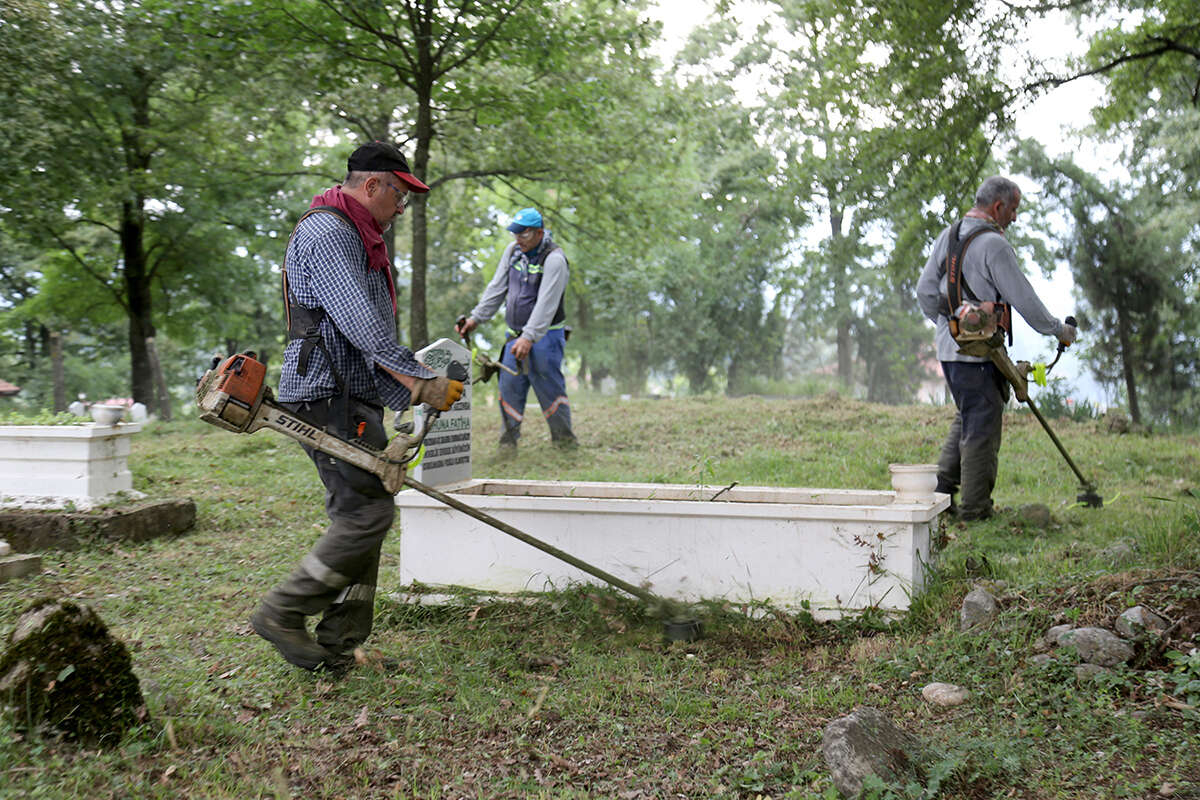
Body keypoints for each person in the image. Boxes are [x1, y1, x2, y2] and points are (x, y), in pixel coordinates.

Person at [250, 140, 464, 672]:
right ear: (372, 186)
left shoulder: (355, 233)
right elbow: (359, 324)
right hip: (326, 395)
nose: (401, 208)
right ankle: (283, 610)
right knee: (366, 512)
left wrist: (407, 392)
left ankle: (335, 649)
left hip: (348, 393)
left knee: (364, 509)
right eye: (399, 195)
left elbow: (361, 339)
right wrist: (419, 383)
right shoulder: (328, 233)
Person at [916, 176, 1076, 521]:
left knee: (969, 414)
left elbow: (925, 292)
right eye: (1014, 210)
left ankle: (941, 492)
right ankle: (974, 510)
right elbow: (1023, 298)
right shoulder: (994, 245)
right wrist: (1057, 330)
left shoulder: (948, 235)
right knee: (982, 426)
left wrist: (952, 325)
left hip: (949, 349)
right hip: (979, 355)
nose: (1015, 218)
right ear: (999, 206)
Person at [455, 207, 577, 451]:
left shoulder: (554, 259)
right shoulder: (513, 252)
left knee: (548, 386)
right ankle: (508, 445)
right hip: (515, 335)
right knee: (509, 387)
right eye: (515, 233)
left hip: (546, 336)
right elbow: (497, 288)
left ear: (540, 233)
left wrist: (530, 337)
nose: (518, 238)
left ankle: (564, 443)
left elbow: (547, 304)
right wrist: (476, 319)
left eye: (524, 234)